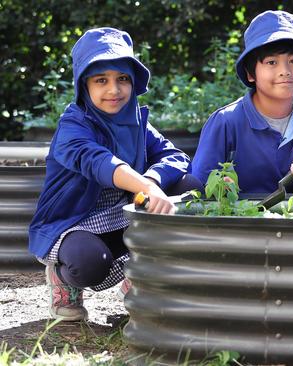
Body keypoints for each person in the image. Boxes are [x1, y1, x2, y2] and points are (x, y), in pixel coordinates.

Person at [28, 27, 201, 321]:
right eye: (101, 80)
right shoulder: (73, 126)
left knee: (189, 185)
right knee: (89, 263)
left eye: (122, 79)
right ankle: (62, 278)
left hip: (120, 218)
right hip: (73, 223)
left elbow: (175, 156)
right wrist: (143, 185)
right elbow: (99, 161)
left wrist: (154, 181)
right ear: (84, 85)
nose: (114, 90)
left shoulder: (136, 122)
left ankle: (140, 279)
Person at [191, 10, 293, 194]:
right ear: (251, 74)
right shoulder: (226, 121)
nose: (285, 71)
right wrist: (219, 189)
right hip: (237, 220)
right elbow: (197, 188)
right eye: (272, 62)